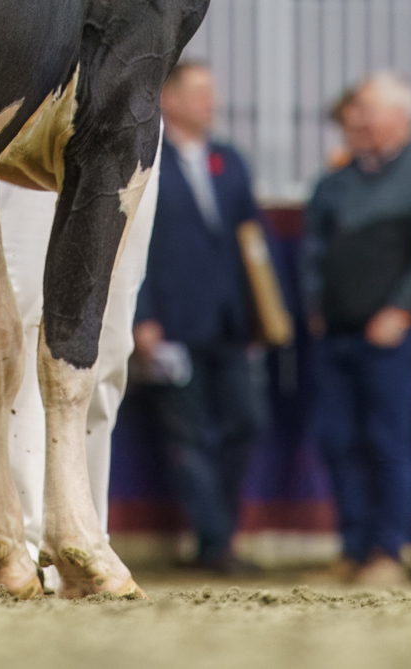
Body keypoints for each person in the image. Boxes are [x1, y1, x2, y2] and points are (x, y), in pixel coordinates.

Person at [0, 170, 156, 596]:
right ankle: (6, 541)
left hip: (137, 133)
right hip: (25, 128)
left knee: (108, 338)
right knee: (21, 314)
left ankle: (81, 540)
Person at [302, 72, 411, 586]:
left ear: (400, 118)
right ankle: (353, 549)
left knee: (388, 442)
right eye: (354, 110)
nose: (355, 119)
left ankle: (390, 550)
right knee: (339, 441)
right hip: (338, 334)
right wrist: (315, 303)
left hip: (396, 338)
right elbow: (313, 249)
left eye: (367, 110)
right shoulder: (335, 182)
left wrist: (400, 310)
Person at [128, 60, 268, 575]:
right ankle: (214, 542)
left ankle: (220, 533)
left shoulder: (229, 160)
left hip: (231, 322)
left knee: (245, 423)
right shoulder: (146, 159)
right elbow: (131, 242)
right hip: (172, 324)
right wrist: (142, 316)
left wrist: (264, 317)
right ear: (169, 98)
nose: (211, 102)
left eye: (212, 92)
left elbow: (252, 242)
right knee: (185, 436)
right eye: (199, 93)